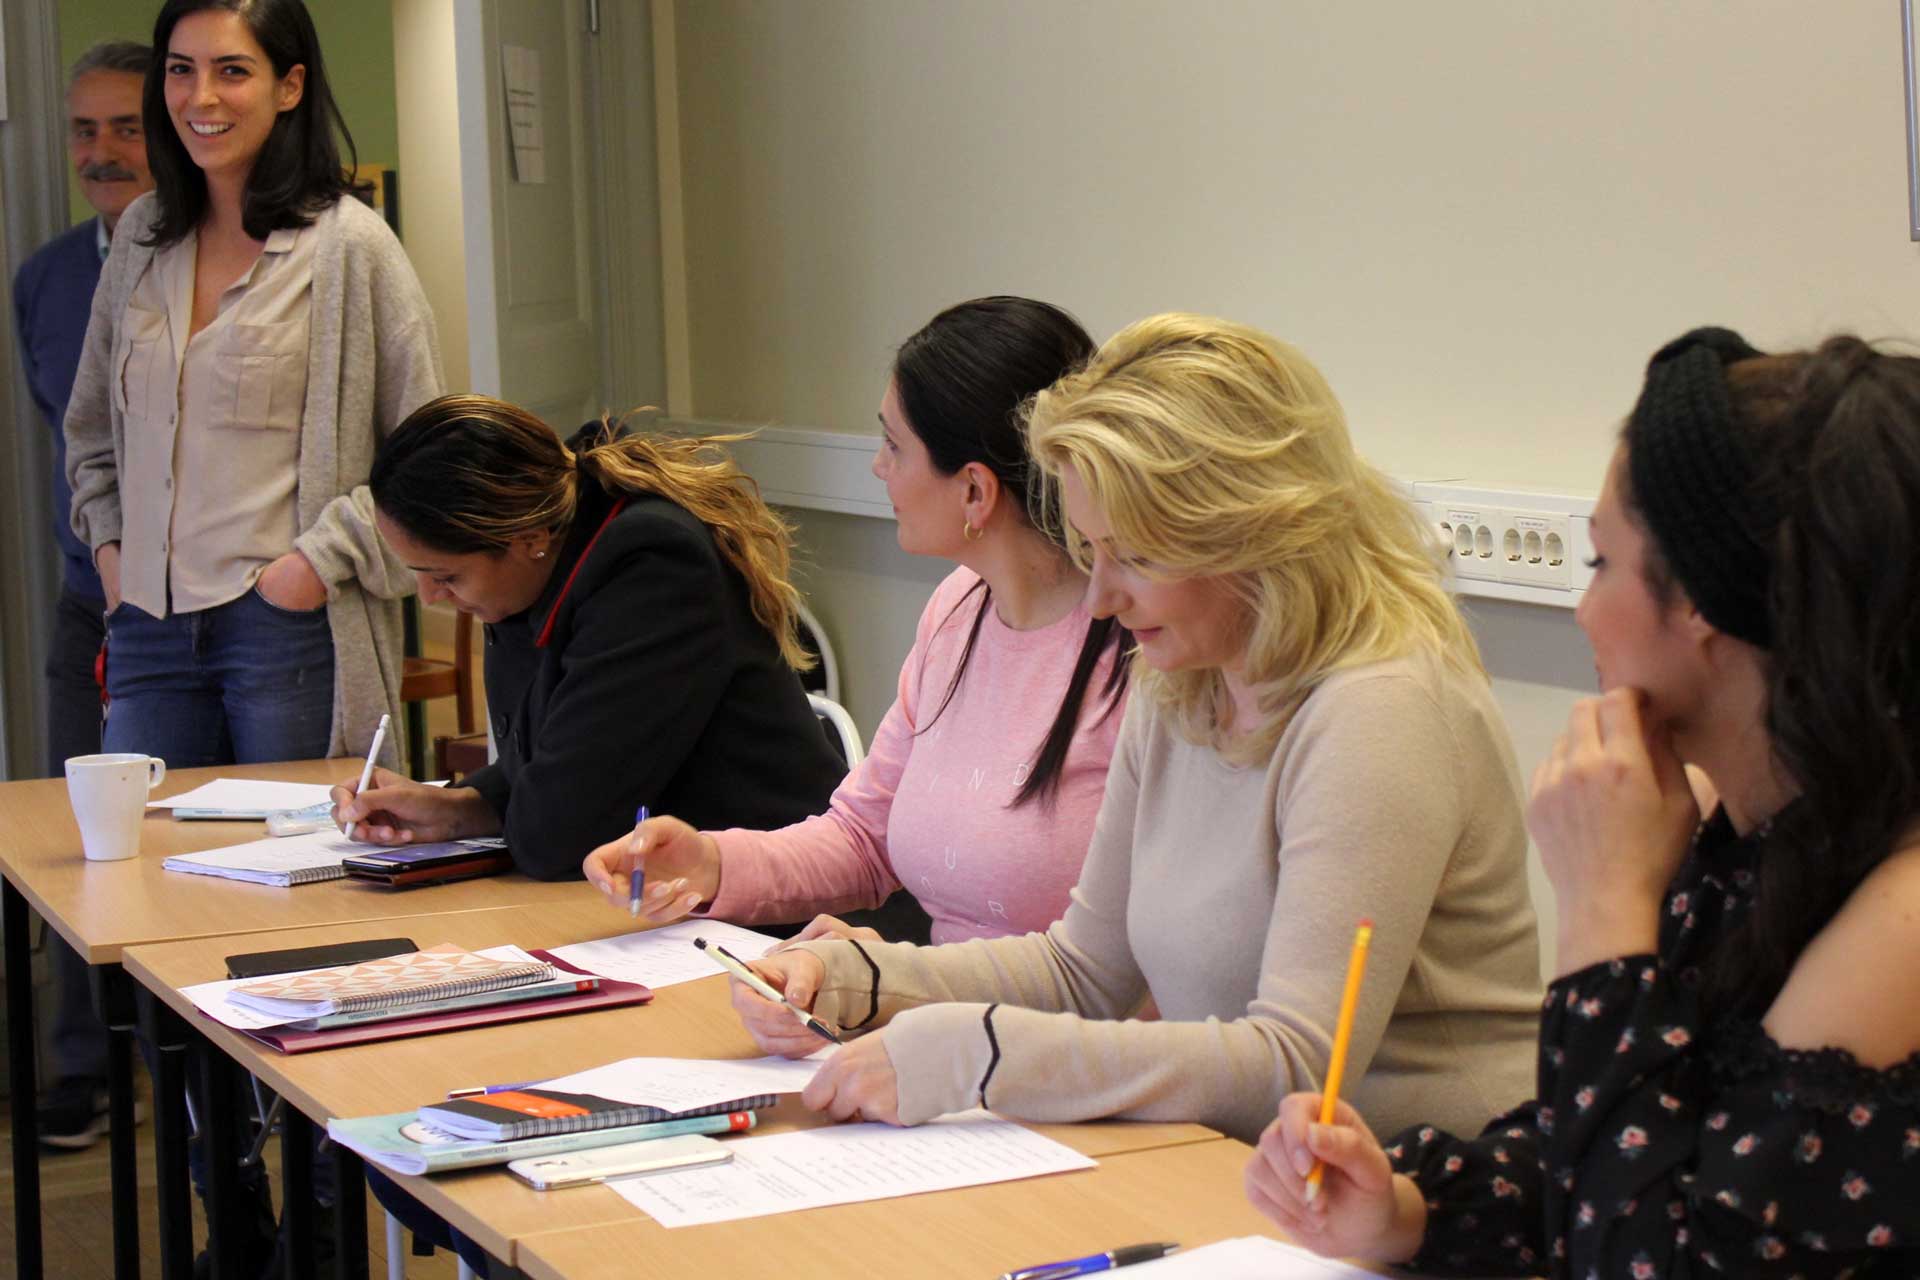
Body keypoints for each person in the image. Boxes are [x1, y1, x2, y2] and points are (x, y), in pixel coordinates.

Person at [727, 313, 1543, 1145]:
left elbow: (1298, 1068)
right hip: (1244, 1177)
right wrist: (860, 977)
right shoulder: (1182, 679)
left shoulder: (1380, 707)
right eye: (1091, 549)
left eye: (1134, 557)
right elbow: (1085, 970)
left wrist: (983, 1054)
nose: (1101, 598)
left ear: (1250, 534)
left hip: (1428, 1202)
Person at [1246, 329, 1920, 1277]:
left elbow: (1642, 1252)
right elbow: (1621, 1148)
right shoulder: (1751, 829)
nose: (1580, 610)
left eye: (1600, 563)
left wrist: (1605, 912)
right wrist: (1407, 1211)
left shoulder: (1900, 920)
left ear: (1703, 607)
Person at [581, 295, 1132, 946]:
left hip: (1039, 1038)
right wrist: (711, 864)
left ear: (976, 492)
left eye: (895, 446)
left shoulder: (1143, 646)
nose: (878, 467)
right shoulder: (958, 607)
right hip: (947, 1029)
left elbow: (1123, 974)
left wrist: (898, 983)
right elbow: (864, 837)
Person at [63, 0, 442, 776]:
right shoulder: (139, 236)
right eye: (180, 70)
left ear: (290, 86)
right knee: (143, 881)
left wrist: (313, 567)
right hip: (146, 629)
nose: (200, 99)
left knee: (301, 876)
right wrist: (109, 549)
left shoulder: (349, 247)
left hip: (287, 629)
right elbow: (91, 431)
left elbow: (434, 456)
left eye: (232, 71)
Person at [328, 394, 845, 876]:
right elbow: (557, 756)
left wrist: (501, 616)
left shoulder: (652, 566)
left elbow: (560, 832)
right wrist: (460, 808)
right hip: (665, 893)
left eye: (446, 577)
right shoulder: (552, 553)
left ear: (529, 539)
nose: (430, 597)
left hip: (775, 909)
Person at [11, 38, 153, 1153]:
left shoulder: (217, 253)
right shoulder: (48, 278)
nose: (101, 152)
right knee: (72, 839)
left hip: (209, 612)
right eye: (83, 130)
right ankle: (79, 1060)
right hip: (83, 599)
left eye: (125, 128)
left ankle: (190, 1064)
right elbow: (71, 441)